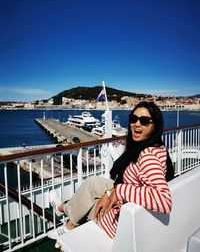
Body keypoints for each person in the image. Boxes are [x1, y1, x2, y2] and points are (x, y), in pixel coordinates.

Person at [48, 101, 174, 239]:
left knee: (86, 204)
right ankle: (64, 210)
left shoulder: (148, 157)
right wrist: (110, 192)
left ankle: (66, 217)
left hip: (121, 224)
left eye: (144, 121)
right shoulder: (155, 146)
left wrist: (119, 191)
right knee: (92, 183)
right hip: (130, 200)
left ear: (155, 127)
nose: (137, 124)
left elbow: (163, 200)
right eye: (133, 118)